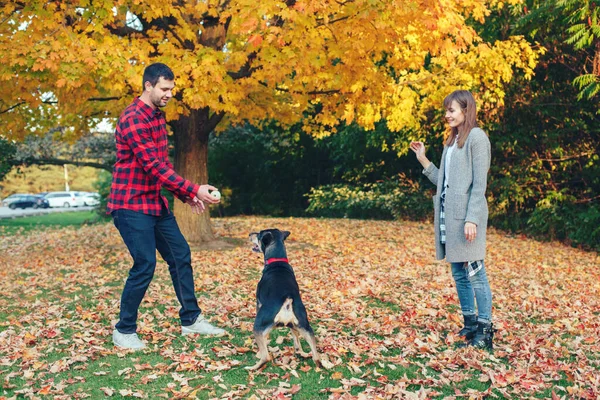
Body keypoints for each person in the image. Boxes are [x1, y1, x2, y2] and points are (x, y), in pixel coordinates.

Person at [107, 63, 225, 350]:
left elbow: (161, 166)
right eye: (164, 88)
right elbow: (151, 165)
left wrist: (187, 195)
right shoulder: (134, 118)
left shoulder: (156, 117)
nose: (169, 94)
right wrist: (193, 188)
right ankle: (123, 330)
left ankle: (191, 321)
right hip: (130, 204)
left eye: (172, 89)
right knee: (145, 263)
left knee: (180, 255)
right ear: (148, 85)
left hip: (153, 203)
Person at [409, 90, 494, 350]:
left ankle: (485, 332)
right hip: (449, 217)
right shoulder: (452, 141)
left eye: (451, 110)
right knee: (459, 273)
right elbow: (443, 182)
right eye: (446, 110)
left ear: (466, 110)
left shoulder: (477, 138)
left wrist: (473, 219)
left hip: (467, 218)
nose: (447, 115)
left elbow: (479, 185)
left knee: (476, 274)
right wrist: (423, 158)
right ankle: (469, 325)